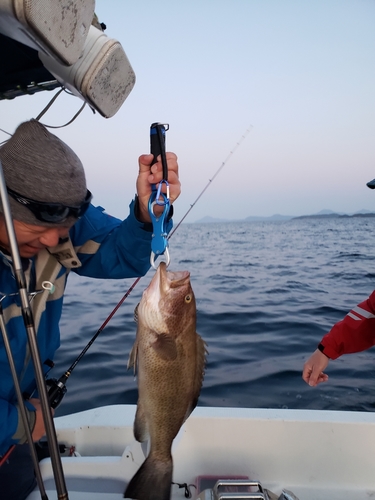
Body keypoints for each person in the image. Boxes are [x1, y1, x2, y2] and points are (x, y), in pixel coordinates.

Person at [0, 119, 180, 499]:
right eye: (36, 228)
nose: (53, 239)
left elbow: (119, 253)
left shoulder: (59, 223)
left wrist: (148, 217)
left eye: (65, 227)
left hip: (16, 438)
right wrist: (21, 423)